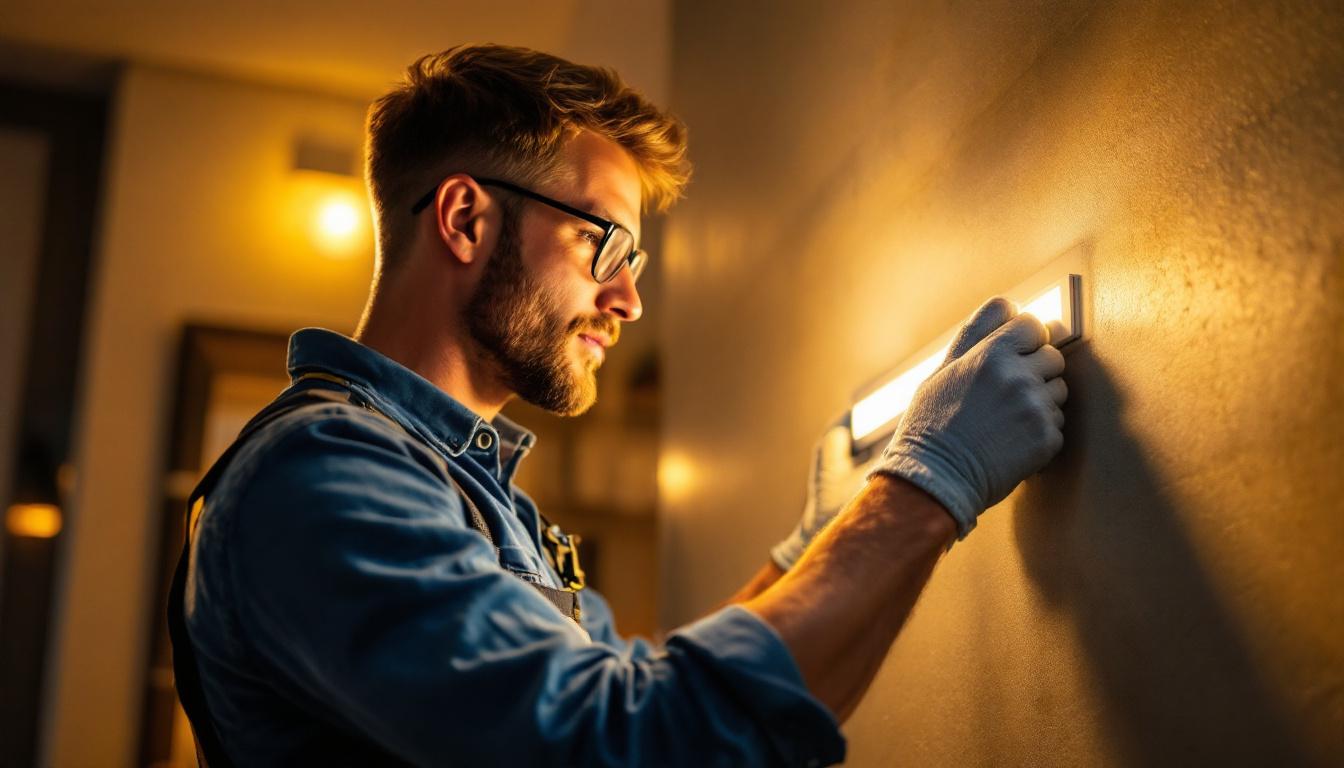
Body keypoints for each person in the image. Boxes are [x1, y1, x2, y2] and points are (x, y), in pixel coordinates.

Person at [170, 44, 1067, 767]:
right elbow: (629, 746)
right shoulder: (326, 473)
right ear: (466, 220)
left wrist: (808, 552)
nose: (630, 301)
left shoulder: (465, 489)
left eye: (633, 263)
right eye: (602, 244)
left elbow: (627, 691)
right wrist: (927, 481)